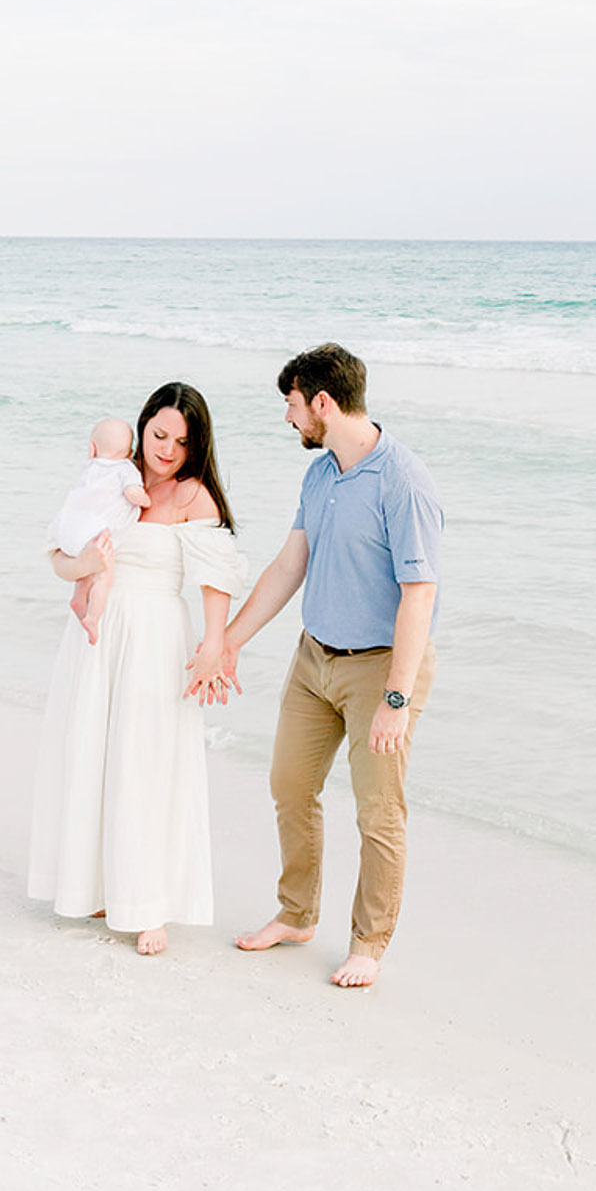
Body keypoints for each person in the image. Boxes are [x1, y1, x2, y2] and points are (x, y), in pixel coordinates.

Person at [221, 344, 442, 990]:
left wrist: (395, 701)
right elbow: (289, 566)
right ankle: (295, 914)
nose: (288, 419)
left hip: (380, 671)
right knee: (289, 786)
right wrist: (227, 641)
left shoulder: (402, 479)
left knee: (378, 812)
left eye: (291, 405)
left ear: (321, 402)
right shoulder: (319, 476)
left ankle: (368, 944)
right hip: (313, 659)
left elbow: (418, 593)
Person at [28, 383, 246, 957]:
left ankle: (150, 903)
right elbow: (59, 550)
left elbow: (215, 579)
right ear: (143, 425)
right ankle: (97, 886)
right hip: (98, 638)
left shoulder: (195, 496)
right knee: (94, 755)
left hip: (155, 638)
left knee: (146, 762)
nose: (168, 449)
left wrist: (213, 646)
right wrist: (86, 563)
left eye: (181, 440)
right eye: (159, 435)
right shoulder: (109, 479)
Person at [52, 417, 152, 641]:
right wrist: (146, 500)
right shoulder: (126, 468)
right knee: (104, 576)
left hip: (69, 531)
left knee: (86, 564)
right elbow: (132, 494)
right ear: (130, 452)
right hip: (96, 532)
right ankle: (93, 617)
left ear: (92, 448)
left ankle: (79, 598)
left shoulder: (91, 465)